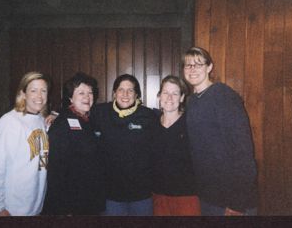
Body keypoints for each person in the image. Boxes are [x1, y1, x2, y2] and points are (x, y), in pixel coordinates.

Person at [182, 46, 258, 216]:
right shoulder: (192, 101)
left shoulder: (223, 96)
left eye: (198, 64)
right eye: (188, 65)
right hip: (209, 195)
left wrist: (237, 203)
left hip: (232, 200)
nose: (192, 69)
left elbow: (243, 151)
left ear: (209, 67)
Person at [0, 71, 50, 216]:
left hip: (34, 209)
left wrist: (54, 115)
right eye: (33, 90)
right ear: (23, 94)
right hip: (9, 210)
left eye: (43, 91)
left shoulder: (41, 121)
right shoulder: (9, 123)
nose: (39, 96)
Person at [91, 74, 158, 216]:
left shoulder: (148, 116)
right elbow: (78, 112)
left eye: (130, 90)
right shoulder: (99, 113)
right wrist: (55, 114)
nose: (125, 94)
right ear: (114, 93)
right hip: (111, 195)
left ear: (137, 95)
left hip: (141, 194)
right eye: (121, 90)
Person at [42, 72, 105, 215]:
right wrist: (63, 208)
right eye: (81, 93)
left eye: (90, 93)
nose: (87, 97)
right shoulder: (62, 123)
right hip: (71, 203)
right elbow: (55, 169)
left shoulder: (91, 119)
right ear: (71, 97)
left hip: (91, 199)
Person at [151, 75, 201, 216]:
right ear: (159, 96)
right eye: (166, 93)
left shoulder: (190, 122)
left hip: (186, 197)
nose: (169, 98)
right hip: (158, 196)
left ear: (182, 98)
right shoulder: (151, 123)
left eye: (175, 93)